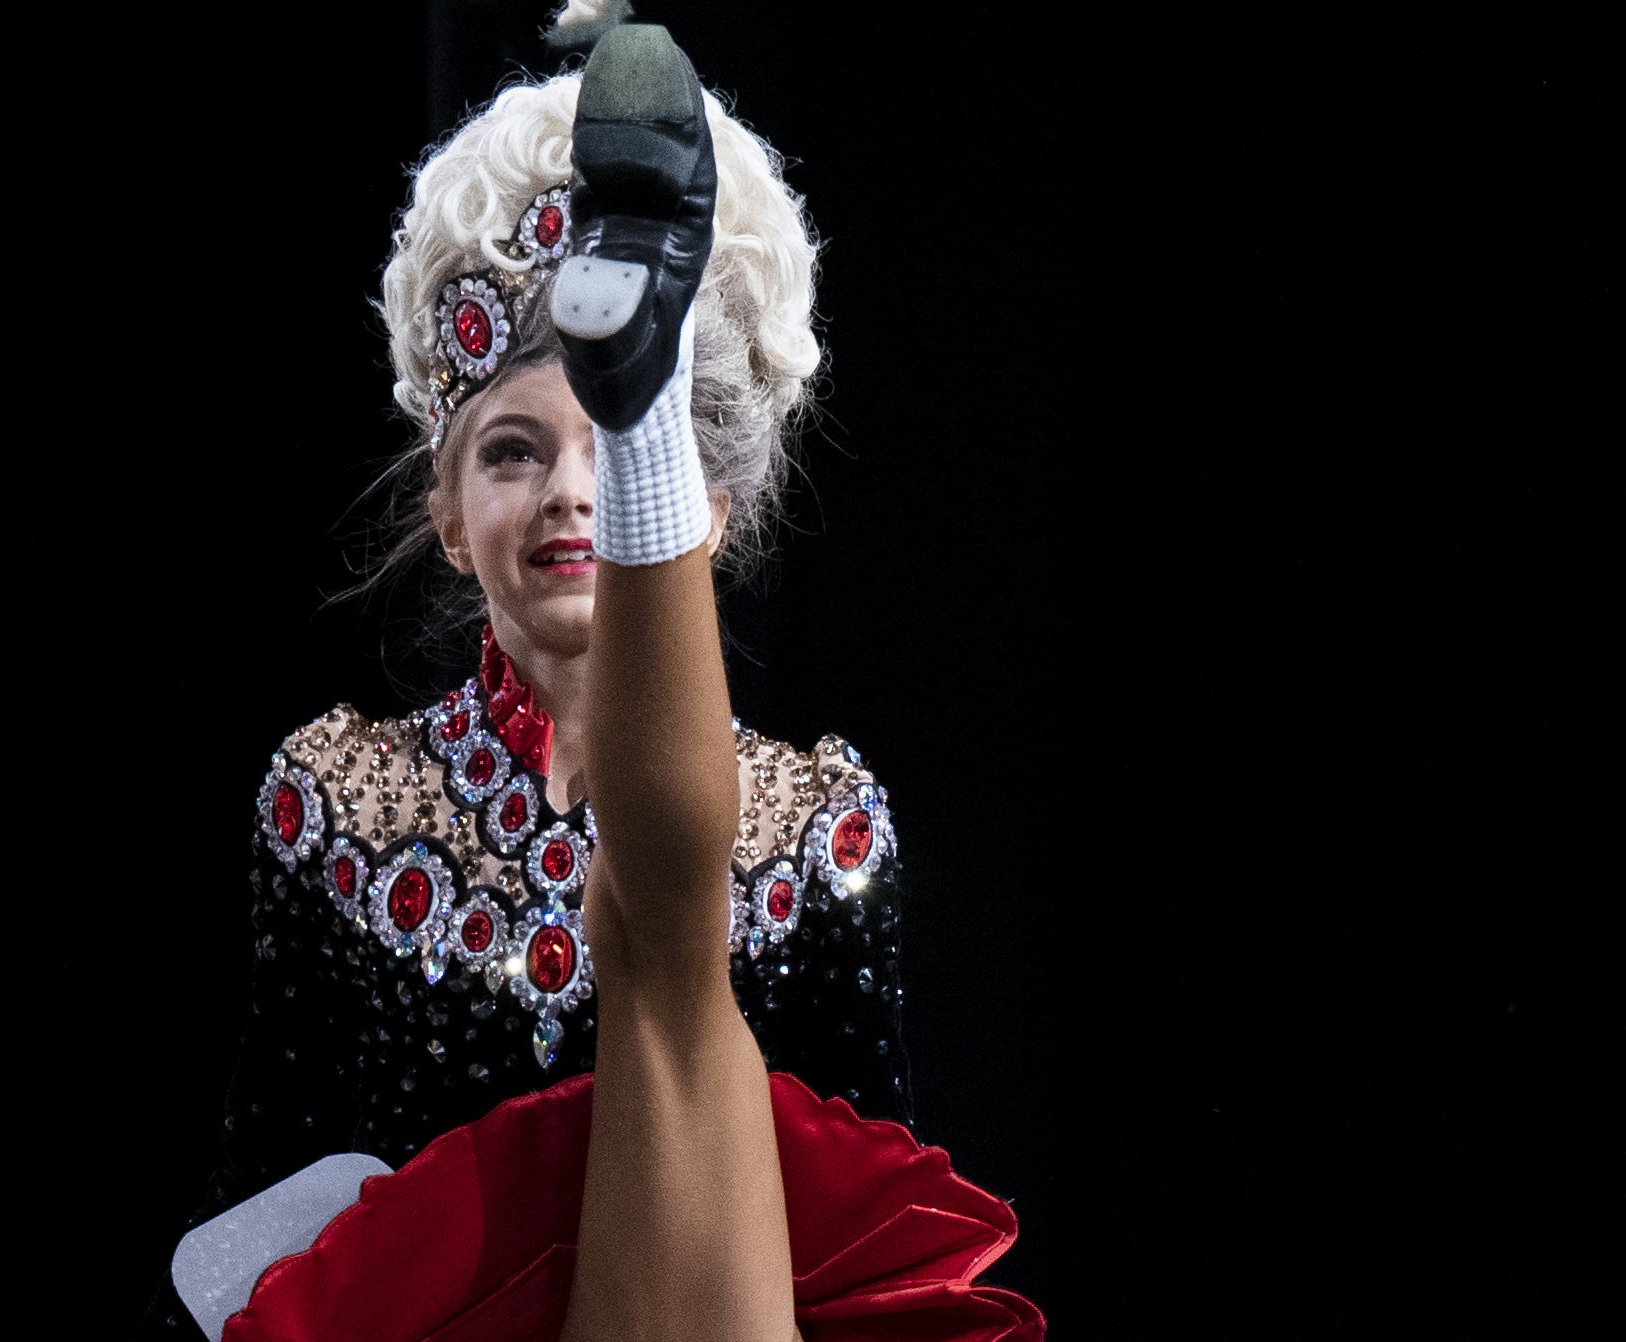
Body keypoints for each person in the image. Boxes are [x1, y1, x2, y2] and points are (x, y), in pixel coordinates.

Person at [143, 19, 1041, 1341]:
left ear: (715, 520)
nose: (561, 492)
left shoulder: (816, 824)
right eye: (511, 450)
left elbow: (868, 1209)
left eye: (603, 461)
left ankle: (652, 393)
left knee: (669, 966)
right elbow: (263, 1168)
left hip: (699, 1295)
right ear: (449, 517)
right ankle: (647, 403)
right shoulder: (335, 800)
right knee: (668, 954)